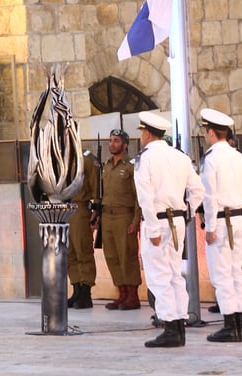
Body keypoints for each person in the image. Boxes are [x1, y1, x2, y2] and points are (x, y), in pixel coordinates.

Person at [133, 110, 205, 349]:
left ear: (146, 133)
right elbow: (198, 191)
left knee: (159, 277)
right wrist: (187, 212)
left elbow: (146, 198)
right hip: (178, 222)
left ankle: (170, 328)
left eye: (142, 132)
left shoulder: (146, 159)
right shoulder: (180, 157)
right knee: (174, 275)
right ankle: (178, 326)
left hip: (159, 222)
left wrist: (152, 229)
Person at [199, 108, 242, 344]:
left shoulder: (212, 159)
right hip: (237, 220)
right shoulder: (240, 157)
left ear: (212, 132)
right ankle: (239, 325)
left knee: (222, 274)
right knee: (237, 272)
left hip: (221, 222)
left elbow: (210, 196)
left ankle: (229, 325)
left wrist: (210, 226)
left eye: (206, 131)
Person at [97, 129, 142, 311]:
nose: (112, 144)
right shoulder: (106, 166)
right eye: (110, 140)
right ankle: (121, 294)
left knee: (127, 256)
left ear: (125, 144)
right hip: (108, 216)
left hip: (125, 216)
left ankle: (133, 296)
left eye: (116, 141)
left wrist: (136, 220)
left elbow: (138, 196)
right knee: (112, 256)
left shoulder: (131, 166)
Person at [67, 150, 99, 309]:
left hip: (80, 208)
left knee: (83, 251)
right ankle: (76, 290)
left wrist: (96, 210)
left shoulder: (85, 159)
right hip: (64, 209)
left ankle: (86, 293)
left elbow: (95, 185)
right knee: (69, 253)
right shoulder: (60, 156)